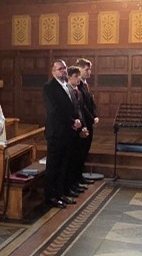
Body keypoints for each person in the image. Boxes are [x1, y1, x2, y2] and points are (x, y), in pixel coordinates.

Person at [42, 60, 82, 208]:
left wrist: (77, 120)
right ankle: (50, 196)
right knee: (53, 166)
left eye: (64, 68)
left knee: (63, 165)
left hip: (67, 133)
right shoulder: (49, 87)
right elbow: (55, 110)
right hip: (56, 132)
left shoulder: (67, 86)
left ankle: (60, 194)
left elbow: (73, 106)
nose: (63, 71)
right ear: (53, 72)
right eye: (60, 69)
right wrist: (72, 121)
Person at [66, 65, 93, 193]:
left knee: (78, 157)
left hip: (80, 128)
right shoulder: (67, 91)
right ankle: (70, 184)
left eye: (78, 76)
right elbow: (70, 113)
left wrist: (84, 127)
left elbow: (81, 111)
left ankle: (76, 181)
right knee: (71, 159)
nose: (78, 79)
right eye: (75, 77)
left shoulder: (78, 91)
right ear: (69, 78)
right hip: (71, 130)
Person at [73, 58, 100, 182]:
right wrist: (91, 118)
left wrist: (95, 115)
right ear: (79, 69)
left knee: (85, 150)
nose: (90, 72)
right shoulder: (77, 85)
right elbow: (81, 106)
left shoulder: (85, 84)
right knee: (80, 151)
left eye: (90, 69)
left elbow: (91, 102)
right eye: (87, 69)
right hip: (83, 122)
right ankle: (77, 177)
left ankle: (80, 176)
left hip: (88, 121)